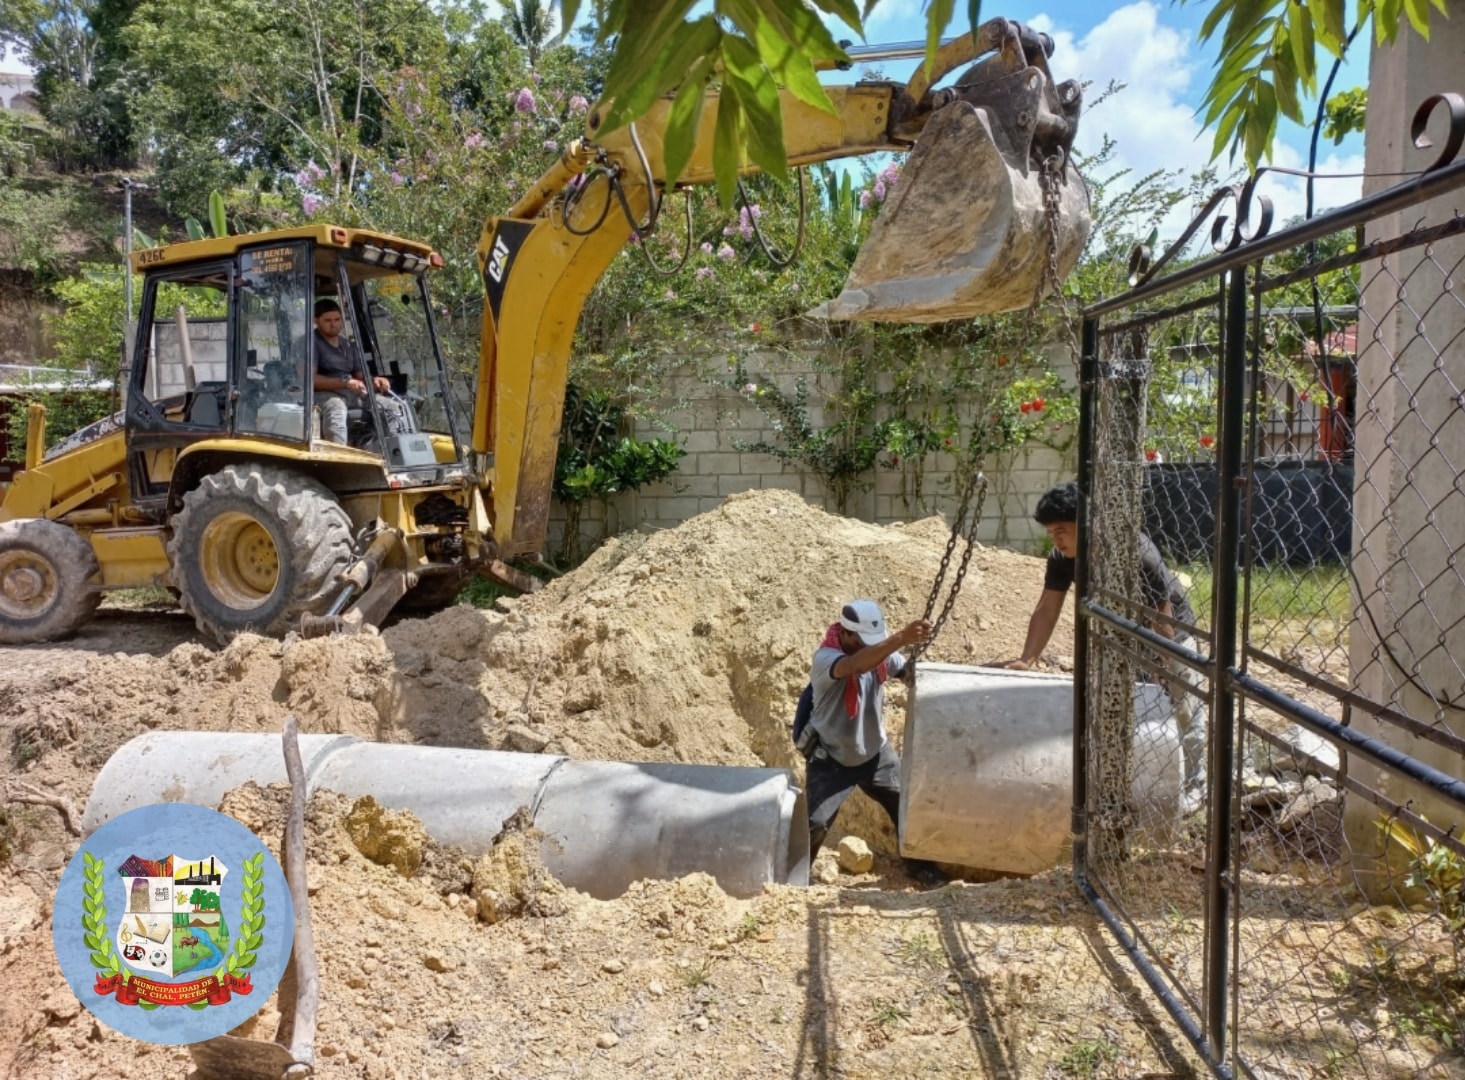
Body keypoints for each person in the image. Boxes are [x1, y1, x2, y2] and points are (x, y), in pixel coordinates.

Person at [999, 481, 1208, 809]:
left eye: (1062, 530)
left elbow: (1161, 614)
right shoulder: (1062, 557)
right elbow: (1047, 608)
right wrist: (1028, 659)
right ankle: (1135, 785)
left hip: (1171, 635)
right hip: (1123, 635)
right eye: (1051, 531)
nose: (1056, 539)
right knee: (1129, 710)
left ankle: (1198, 784)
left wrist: (1163, 662)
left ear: (1087, 524)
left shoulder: (1136, 552)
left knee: (1184, 707)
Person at [804, 599, 947, 888]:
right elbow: (855, 665)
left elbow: (902, 670)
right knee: (816, 824)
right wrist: (902, 639)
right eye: (863, 642)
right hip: (832, 758)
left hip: (875, 754)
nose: (870, 647)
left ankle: (919, 866)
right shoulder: (826, 658)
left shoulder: (876, 654)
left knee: (906, 807)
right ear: (845, 634)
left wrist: (917, 670)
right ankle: (795, 874)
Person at [312, 298, 390, 444]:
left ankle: (390, 450)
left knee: (389, 406)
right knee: (335, 406)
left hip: (349, 393)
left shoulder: (348, 345)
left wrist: (375, 381)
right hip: (318, 395)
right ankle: (339, 456)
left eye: (337, 319)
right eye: (327, 320)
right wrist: (345, 382)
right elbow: (310, 380)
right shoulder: (310, 344)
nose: (333, 324)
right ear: (316, 320)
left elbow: (360, 376)